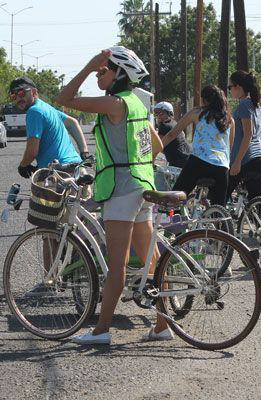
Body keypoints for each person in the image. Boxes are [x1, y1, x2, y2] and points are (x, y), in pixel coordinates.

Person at [56, 46, 170, 345]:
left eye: (103, 70)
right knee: (150, 261)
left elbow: (63, 100)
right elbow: (156, 145)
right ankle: (161, 325)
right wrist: (128, 157)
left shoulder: (115, 103)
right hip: (141, 186)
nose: (97, 73)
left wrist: (86, 64)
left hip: (121, 190)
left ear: (120, 73)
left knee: (117, 265)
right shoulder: (135, 103)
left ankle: (102, 330)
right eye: (97, 69)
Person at [162, 85, 234, 205]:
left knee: (176, 197)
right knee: (219, 211)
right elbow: (229, 147)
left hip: (199, 162)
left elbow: (172, 134)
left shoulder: (197, 112)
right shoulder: (229, 119)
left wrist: (154, 150)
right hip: (221, 167)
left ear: (204, 100)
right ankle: (219, 221)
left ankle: (172, 218)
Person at [10, 76, 89, 179]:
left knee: (38, 195)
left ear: (34, 92)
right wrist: (84, 151)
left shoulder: (34, 111)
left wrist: (23, 165)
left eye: (21, 93)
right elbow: (72, 123)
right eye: (13, 95)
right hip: (78, 169)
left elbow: (32, 152)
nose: (18, 98)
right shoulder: (47, 108)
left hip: (58, 174)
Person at [226, 70, 261, 201]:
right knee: (256, 203)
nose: (229, 91)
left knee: (220, 195)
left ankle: (220, 222)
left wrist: (237, 161)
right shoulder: (255, 105)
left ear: (238, 87)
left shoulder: (244, 105)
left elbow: (248, 135)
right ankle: (260, 222)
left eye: (230, 87)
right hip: (260, 157)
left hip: (247, 159)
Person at [153, 101, 191, 168]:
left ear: (169, 113)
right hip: (188, 156)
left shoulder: (164, 126)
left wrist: (151, 160)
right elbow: (183, 134)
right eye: (156, 113)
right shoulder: (174, 123)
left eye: (161, 113)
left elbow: (159, 146)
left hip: (179, 161)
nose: (158, 116)